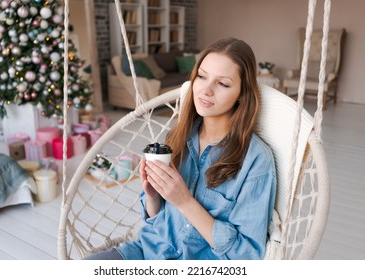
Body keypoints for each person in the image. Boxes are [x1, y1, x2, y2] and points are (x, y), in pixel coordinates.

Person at [85, 37, 276, 260]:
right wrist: (153, 196)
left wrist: (184, 201)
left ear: (242, 94)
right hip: (148, 251)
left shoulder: (256, 160)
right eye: (202, 77)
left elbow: (247, 255)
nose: (206, 90)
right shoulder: (180, 135)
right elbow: (157, 221)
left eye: (222, 83)